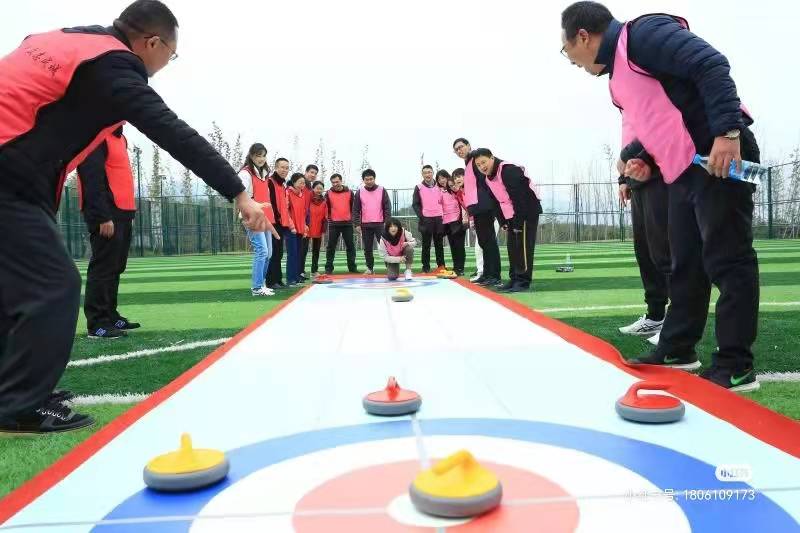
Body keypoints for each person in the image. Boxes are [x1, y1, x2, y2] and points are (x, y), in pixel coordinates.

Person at [0, 0, 266, 433]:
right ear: (152, 42)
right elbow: (172, 131)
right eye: (170, 55)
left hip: (17, 174)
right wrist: (239, 193)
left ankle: (12, 391)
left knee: (12, 291)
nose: (164, 65)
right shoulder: (114, 67)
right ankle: (17, 406)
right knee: (54, 286)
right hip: (9, 175)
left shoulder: (71, 39)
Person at [560, 2, 761, 391]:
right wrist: (645, 162)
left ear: (583, 36)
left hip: (719, 154)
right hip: (684, 167)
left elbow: (711, 65)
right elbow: (664, 120)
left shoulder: (643, 34)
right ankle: (678, 349)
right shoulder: (618, 77)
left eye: (566, 49)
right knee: (685, 261)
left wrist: (727, 133)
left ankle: (736, 366)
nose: (570, 60)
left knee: (728, 259)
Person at [77, 126, 137, 339]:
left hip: (123, 211)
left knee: (115, 266)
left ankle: (110, 315)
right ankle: (97, 323)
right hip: (107, 213)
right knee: (103, 267)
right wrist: (102, 216)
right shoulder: (95, 136)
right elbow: (91, 178)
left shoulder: (120, 138)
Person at [616, 139, 670, 342]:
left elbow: (657, 129)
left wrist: (628, 157)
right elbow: (630, 137)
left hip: (661, 174)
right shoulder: (627, 115)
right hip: (638, 180)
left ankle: (678, 320)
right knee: (645, 252)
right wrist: (623, 178)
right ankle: (655, 316)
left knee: (665, 251)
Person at [473, 149, 542, 293]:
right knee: (512, 248)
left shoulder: (508, 170)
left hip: (526, 213)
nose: (482, 167)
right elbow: (495, 201)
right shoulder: (488, 178)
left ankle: (523, 282)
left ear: (492, 158)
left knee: (522, 248)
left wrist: (518, 223)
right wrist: (503, 220)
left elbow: (520, 198)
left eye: (484, 162)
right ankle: (514, 278)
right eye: (478, 165)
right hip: (511, 215)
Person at [453, 138, 502, 286]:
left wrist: (489, 202)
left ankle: (494, 275)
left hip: (484, 206)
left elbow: (487, 179)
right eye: (456, 149)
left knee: (489, 242)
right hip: (476, 207)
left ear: (468, 146)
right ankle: (486, 274)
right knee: (483, 242)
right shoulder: (468, 163)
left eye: (461, 147)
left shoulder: (475, 159)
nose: (459, 150)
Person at [237, 142, 280, 297]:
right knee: (262, 251)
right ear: (251, 156)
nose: (261, 159)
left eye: (263, 156)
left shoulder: (264, 174)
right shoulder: (245, 173)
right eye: (258, 155)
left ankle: (261, 284)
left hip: (265, 217)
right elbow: (241, 195)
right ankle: (256, 288)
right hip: (252, 217)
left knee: (268, 253)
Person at [353, 168, 392, 275]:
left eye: (371, 179)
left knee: (385, 247)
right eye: (367, 179)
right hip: (365, 225)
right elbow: (355, 209)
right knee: (368, 248)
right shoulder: (359, 192)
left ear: (374, 179)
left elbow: (387, 207)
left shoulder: (382, 190)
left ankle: (389, 267)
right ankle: (370, 268)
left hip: (380, 224)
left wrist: (388, 222)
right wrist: (357, 224)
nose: (369, 181)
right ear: (363, 180)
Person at [412, 165, 446, 273]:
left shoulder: (440, 186)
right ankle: (426, 267)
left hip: (439, 219)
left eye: (429, 172)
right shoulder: (418, 187)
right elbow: (415, 204)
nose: (427, 174)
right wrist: (422, 216)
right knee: (426, 245)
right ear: (422, 174)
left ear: (433, 173)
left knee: (439, 244)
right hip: (426, 220)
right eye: (425, 172)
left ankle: (441, 266)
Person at [324, 173, 358, 274]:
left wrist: (353, 221)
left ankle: (352, 268)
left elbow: (353, 207)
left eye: (337, 182)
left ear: (341, 181)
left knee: (350, 246)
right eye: (333, 182)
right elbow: (326, 207)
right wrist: (329, 218)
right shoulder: (328, 193)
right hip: (333, 224)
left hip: (347, 224)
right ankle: (328, 268)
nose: (335, 184)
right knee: (331, 247)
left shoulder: (350, 192)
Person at [266, 158, 291, 289]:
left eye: (287, 168)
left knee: (279, 253)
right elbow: (270, 203)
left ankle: (278, 279)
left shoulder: (282, 185)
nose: (284, 170)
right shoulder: (270, 182)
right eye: (282, 167)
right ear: (276, 168)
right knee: (273, 252)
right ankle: (271, 281)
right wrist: (275, 218)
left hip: (281, 223)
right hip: (272, 222)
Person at [442, 172, 469, 276]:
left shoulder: (463, 192)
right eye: (450, 186)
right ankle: (456, 267)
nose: (453, 187)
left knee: (459, 246)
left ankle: (460, 268)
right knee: (453, 246)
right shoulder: (455, 193)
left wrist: (466, 220)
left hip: (461, 223)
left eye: (453, 184)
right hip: (450, 223)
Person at [284, 173, 308, 286]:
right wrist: (291, 226)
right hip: (291, 229)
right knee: (292, 253)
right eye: (300, 183)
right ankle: (290, 278)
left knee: (298, 253)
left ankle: (297, 277)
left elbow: (303, 213)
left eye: (303, 183)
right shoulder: (287, 192)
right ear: (293, 182)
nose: (302, 185)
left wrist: (304, 228)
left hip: (300, 229)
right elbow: (285, 211)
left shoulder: (302, 195)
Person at [378, 218, 416, 282]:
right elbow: (384, 257)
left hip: (403, 253)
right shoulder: (383, 239)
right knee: (392, 277)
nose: (393, 229)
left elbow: (414, 242)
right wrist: (399, 259)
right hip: (392, 257)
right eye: (391, 227)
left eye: (395, 226)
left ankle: (408, 271)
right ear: (387, 228)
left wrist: (407, 243)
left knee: (409, 248)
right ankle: (392, 268)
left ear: (398, 227)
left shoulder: (403, 232)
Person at [299, 164, 319, 280]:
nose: (313, 175)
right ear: (306, 172)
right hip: (298, 221)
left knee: (304, 248)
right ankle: (297, 273)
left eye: (315, 173)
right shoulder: (300, 185)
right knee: (299, 249)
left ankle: (300, 272)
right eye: (311, 172)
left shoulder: (310, 188)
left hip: (306, 221)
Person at [307, 180, 327, 277]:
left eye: (321, 189)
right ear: (313, 188)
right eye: (317, 188)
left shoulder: (324, 201)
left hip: (318, 228)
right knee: (303, 251)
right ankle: (300, 271)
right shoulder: (307, 199)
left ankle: (314, 270)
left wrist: (324, 229)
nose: (319, 190)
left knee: (316, 251)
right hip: (307, 228)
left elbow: (325, 216)